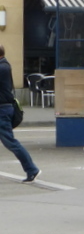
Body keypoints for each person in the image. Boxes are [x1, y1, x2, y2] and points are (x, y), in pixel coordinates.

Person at [0, 43, 40, 183]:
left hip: (2, 110)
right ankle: (31, 169)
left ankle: (31, 169)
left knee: (10, 142)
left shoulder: (3, 67)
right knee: (10, 141)